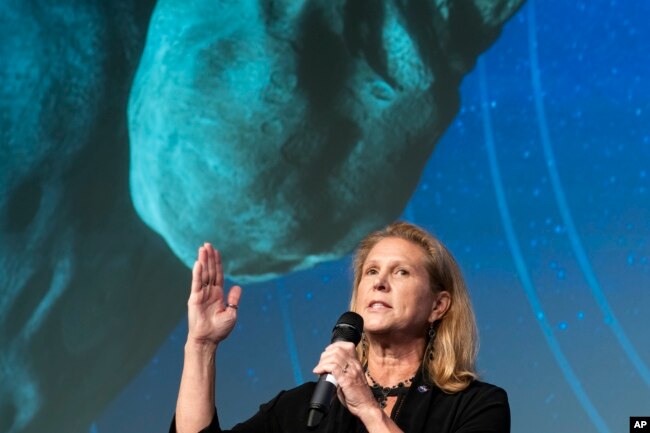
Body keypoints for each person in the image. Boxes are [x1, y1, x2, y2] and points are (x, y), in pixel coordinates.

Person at [171, 221, 510, 433]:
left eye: (401, 272)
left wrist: (368, 409)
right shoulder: (306, 406)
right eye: (371, 272)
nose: (379, 284)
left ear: (438, 306)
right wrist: (201, 346)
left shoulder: (476, 405)